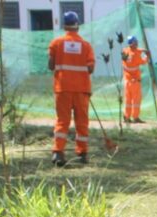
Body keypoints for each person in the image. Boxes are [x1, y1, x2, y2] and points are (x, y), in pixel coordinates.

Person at [47, 10, 93, 167]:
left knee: (62, 121)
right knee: (82, 121)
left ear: (64, 25)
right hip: (81, 89)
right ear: (77, 25)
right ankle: (82, 153)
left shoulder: (56, 44)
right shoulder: (86, 46)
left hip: (62, 88)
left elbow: (50, 65)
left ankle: (58, 152)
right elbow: (91, 68)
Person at [120, 35, 149, 124]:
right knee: (136, 100)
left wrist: (142, 50)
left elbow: (134, 50)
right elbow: (144, 62)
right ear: (133, 43)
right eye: (136, 42)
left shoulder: (125, 51)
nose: (137, 44)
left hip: (127, 80)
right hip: (135, 81)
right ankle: (135, 117)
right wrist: (147, 56)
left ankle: (126, 116)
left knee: (128, 100)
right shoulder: (135, 55)